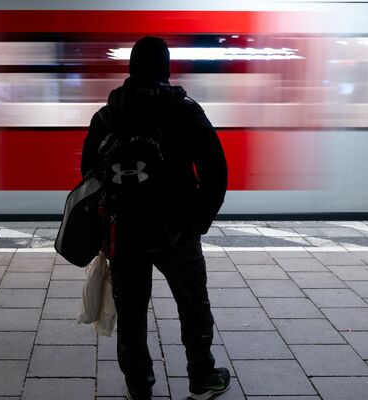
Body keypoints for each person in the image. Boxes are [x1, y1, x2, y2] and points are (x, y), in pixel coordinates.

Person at [80, 36, 230, 400]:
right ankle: (201, 377)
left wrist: (106, 224)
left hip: (125, 231)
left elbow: (88, 175)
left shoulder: (107, 115)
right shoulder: (185, 111)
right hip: (177, 229)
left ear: (130, 69)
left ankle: (139, 385)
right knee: (193, 303)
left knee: (131, 311)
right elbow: (217, 171)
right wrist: (197, 221)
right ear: (166, 68)